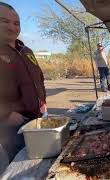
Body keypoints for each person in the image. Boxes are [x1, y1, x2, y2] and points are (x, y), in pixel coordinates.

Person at [0, 2, 46, 173]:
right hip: (11, 125)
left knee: (42, 162)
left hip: (37, 119)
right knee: (22, 167)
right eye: (4, 21)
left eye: (16, 23)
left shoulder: (26, 50)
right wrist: (5, 115)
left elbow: (39, 78)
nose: (12, 27)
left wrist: (42, 100)